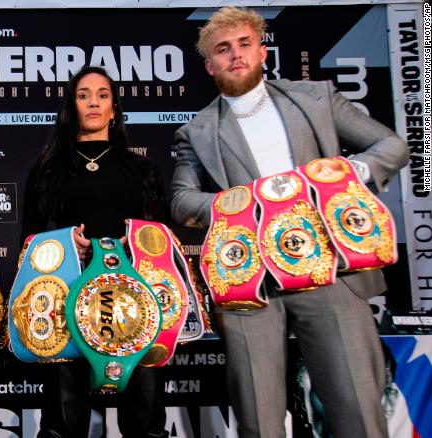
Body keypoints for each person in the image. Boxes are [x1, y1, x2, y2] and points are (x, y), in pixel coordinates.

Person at [169, 7, 408, 438]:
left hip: (331, 273)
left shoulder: (316, 98)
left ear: (262, 50)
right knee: (258, 420)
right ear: (209, 64)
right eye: (223, 50)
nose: (236, 56)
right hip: (248, 279)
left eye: (244, 44)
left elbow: (390, 145)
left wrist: (344, 177)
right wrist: (243, 204)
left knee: (358, 410)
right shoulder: (196, 130)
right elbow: (182, 201)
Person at [21, 65, 169, 438]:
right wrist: (65, 243)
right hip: (64, 303)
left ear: (114, 108)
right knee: (63, 423)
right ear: (72, 105)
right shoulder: (46, 171)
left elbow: (162, 240)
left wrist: (130, 241)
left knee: (145, 420)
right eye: (83, 94)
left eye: (103, 95)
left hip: (136, 304)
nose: (93, 102)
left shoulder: (143, 170)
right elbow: (30, 241)